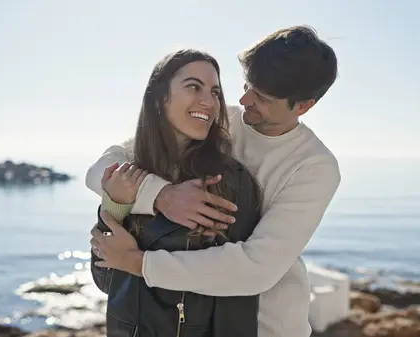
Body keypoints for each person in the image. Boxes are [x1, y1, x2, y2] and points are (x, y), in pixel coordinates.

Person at [87, 25, 341, 337]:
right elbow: (105, 167)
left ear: (303, 106)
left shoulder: (315, 166)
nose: (244, 99)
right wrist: (159, 195)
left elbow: (256, 268)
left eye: (261, 97)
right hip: (188, 317)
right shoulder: (220, 119)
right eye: (247, 85)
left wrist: (137, 263)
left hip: (265, 325)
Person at [89, 49, 263, 337]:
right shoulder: (132, 176)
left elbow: (238, 292)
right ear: (160, 98)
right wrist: (117, 205)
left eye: (215, 92)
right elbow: (105, 280)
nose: (208, 102)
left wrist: (136, 262)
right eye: (194, 87)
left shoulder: (229, 181)